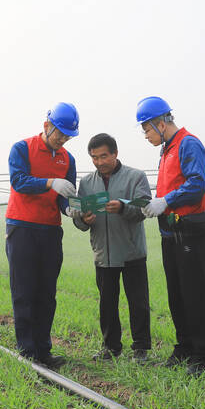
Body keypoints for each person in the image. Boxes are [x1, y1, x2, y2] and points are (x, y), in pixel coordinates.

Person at [137, 96, 205, 376]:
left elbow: (197, 184)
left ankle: (204, 356)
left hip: (190, 229)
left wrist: (166, 201)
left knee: (195, 293)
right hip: (170, 229)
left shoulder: (188, 144)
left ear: (161, 123)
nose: (146, 135)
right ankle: (184, 347)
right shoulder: (167, 149)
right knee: (177, 293)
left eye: (147, 129)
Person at [5, 102, 79, 369]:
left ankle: (44, 350)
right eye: (59, 133)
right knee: (24, 291)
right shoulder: (22, 148)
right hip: (22, 227)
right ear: (47, 126)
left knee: (46, 293)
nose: (62, 140)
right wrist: (49, 182)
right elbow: (19, 181)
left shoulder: (68, 159)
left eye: (68, 136)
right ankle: (26, 351)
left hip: (50, 230)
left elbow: (64, 195)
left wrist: (69, 210)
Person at [71, 133, 152, 364]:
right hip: (103, 253)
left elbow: (144, 207)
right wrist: (83, 220)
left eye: (103, 156)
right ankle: (110, 347)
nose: (99, 162)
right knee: (107, 303)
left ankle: (141, 349)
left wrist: (123, 207)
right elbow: (78, 214)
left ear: (115, 153)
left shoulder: (136, 177)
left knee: (138, 302)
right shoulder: (86, 183)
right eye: (94, 157)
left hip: (131, 251)